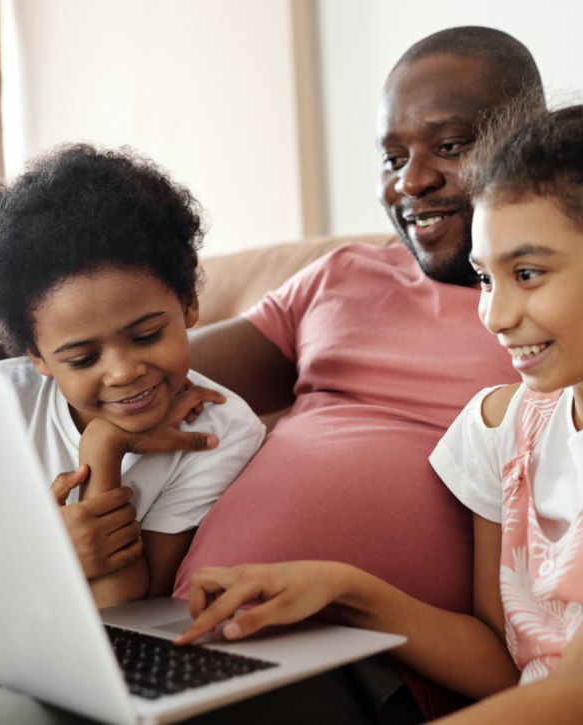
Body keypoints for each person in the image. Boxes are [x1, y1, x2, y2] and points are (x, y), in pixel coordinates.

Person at [151, 27, 543, 722]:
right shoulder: (341, 276)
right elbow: (147, 377)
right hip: (187, 626)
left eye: (449, 146)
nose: (411, 181)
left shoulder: (547, 316)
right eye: (393, 156)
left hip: (368, 662)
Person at [0, 144, 265, 609]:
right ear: (37, 356)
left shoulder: (219, 431)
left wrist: (104, 445)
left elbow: (123, 610)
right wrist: (38, 555)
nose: (123, 372)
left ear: (189, 303)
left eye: (148, 335)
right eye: (82, 359)